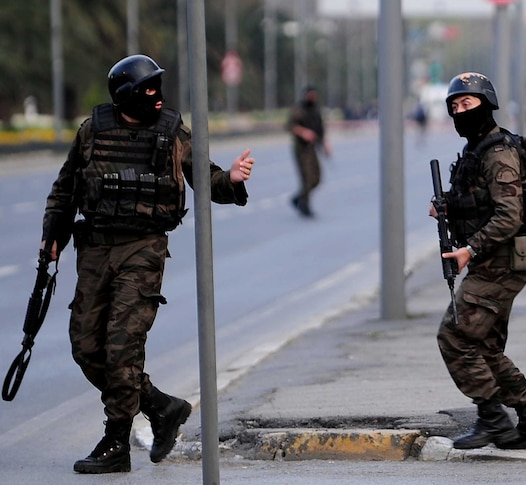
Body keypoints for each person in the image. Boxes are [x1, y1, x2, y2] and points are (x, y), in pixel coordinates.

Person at [40, 54, 255, 474]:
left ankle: (116, 441)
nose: (156, 96)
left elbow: (206, 176)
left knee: (122, 348)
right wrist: (52, 236)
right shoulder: (92, 131)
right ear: (126, 96)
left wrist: (232, 178)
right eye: (148, 89)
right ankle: (160, 407)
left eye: (159, 87)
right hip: (95, 250)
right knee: (87, 348)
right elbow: (64, 190)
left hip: (143, 249)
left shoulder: (172, 132)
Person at [430, 72, 526, 450]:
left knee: (454, 335)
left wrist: (471, 248)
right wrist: (449, 208)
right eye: (454, 106)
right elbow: (481, 202)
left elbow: (508, 215)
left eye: (467, 104)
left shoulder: (498, 151)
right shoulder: (478, 150)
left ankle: (492, 419)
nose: (459, 111)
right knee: (483, 344)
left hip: (501, 259)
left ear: (487, 105)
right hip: (494, 257)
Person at [286, 85, 331, 218]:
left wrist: (325, 144)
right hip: (301, 149)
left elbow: (320, 130)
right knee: (307, 178)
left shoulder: (315, 109)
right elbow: (290, 126)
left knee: (316, 178)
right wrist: (303, 132)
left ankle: (298, 198)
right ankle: (304, 205)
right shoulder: (299, 109)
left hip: (312, 149)